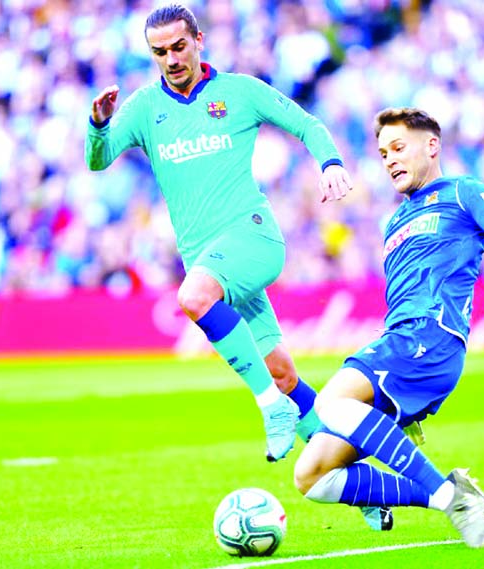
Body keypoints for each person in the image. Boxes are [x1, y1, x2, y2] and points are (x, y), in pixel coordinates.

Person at [292, 107, 484, 547]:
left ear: (432, 146)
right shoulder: (394, 223)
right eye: (383, 152)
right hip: (401, 347)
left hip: (430, 337)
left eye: (399, 147)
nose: (389, 159)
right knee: (311, 477)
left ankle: (448, 500)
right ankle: (451, 491)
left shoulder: (463, 192)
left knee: (329, 404)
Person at [84, 4, 353, 463]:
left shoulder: (239, 92)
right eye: (159, 52)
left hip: (253, 238)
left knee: (193, 298)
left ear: (199, 40)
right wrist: (98, 125)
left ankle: (270, 409)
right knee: (284, 375)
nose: (171, 59)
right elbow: (99, 159)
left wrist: (329, 163)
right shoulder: (146, 107)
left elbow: (306, 123)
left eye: (178, 47)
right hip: (208, 259)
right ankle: (367, 487)